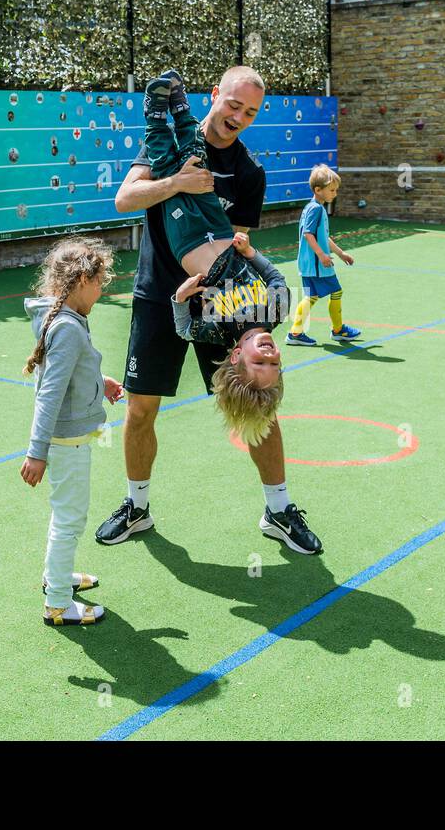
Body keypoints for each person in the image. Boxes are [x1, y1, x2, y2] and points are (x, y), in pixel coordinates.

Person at [95, 65, 322, 556]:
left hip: (218, 304)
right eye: (233, 105)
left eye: (250, 112)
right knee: (141, 408)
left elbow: (236, 244)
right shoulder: (173, 147)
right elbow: (125, 199)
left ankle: (279, 509)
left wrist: (247, 304)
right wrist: (178, 182)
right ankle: (137, 506)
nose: (238, 117)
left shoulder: (249, 172)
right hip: (158, 294)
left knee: (258, 406)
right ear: (215, 94)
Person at [20, 236, 123, 626]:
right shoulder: (67, 327)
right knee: (71, 519)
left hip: (69, 438)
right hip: (67, 441)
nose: (102, 290)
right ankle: (58, 603)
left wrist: (100, 381)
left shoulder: (64, 318)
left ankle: (57, 577)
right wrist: (36, 451)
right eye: (99, 282)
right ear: (82, 280)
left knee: (65, 513)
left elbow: (68, 372)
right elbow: (49, 392)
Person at [172, 230, 289, 451]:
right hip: (226, 238)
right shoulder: (277, 311)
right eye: (275, 363)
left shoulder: (220, 330)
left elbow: (184, 330)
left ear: (236, 355)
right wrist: (251, 252)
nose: (269, 355)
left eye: (259, 362)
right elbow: (275, 278)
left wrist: (180, 298)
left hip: (191, 242)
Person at [286, 164, 360, 346]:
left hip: (308, 263)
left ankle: (295, 333)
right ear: (318, 190)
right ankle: (338, 330)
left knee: (311, 296)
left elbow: (322, 237)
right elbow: (308, 234)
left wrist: (340, 253)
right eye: (332, 190)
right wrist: (321, 255)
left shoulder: (311, 207)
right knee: (336, 291)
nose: (335, 193)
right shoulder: (317, 209)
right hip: (317, 264)